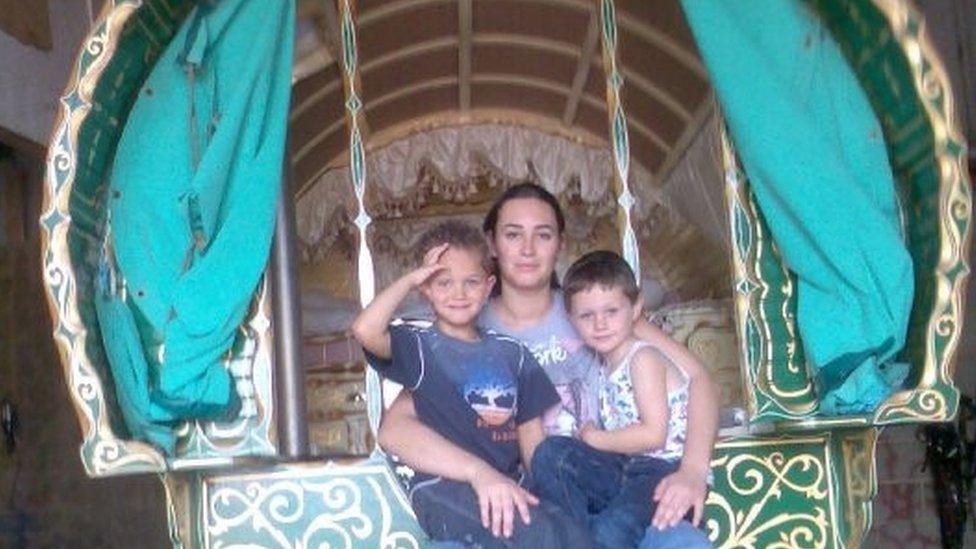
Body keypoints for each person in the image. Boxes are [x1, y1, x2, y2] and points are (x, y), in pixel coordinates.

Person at [380, 183, 718, 548]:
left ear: (559, 243)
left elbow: (698, 379)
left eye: (543, 235)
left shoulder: (596, 309)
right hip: (526, 504)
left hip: (617, 489)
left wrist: (693, 470)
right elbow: (395, 429)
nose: (527, 249)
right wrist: (478, 473)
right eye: (513, 235)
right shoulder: (468, 327)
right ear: (492, 244)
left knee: (681, 543)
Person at [351, 220, 589, 548]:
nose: (458, 294)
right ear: (427, 289)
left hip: (506, 482)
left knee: (572, 533)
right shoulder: (420, 347)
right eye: (443, 282)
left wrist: (544, 494)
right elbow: (365, 330)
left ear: (489, 285)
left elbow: (532, 443)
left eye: (471, 282)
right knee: (536, 535)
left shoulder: (514, 354)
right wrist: (410, 279)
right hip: (445, 487)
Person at [531, 250, 703, 549]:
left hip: (662, 469)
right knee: (550, 454)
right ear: (571, 318)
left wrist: (595, 440)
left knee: (611, 531)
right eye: (587, 316)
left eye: (611, 312)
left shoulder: (643, 358)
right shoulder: (603, 363)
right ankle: (574, 540)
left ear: (636, 308)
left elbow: (653, 435)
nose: (600, 324)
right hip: (626, 466)